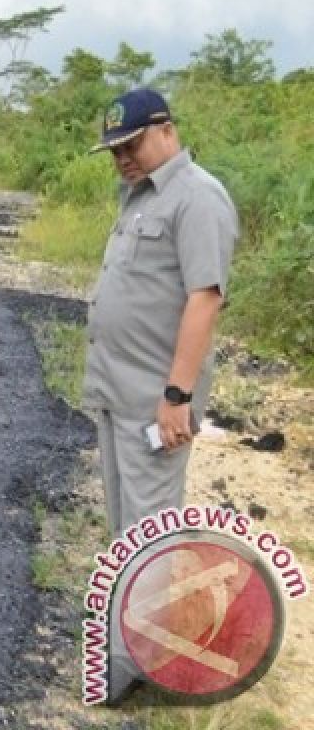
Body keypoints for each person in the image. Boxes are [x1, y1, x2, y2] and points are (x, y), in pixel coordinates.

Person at [83, 87, 238, 703]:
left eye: (131, 144)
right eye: (113, 150)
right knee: (127, 529)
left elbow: (205, 296)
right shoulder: (139, 196)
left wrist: (177, 394)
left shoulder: (196, 196)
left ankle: (137, 671)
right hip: (117, 394)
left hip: (156, 402)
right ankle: (127, 653)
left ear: (166, 130)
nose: (122, 157)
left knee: (150, 532)